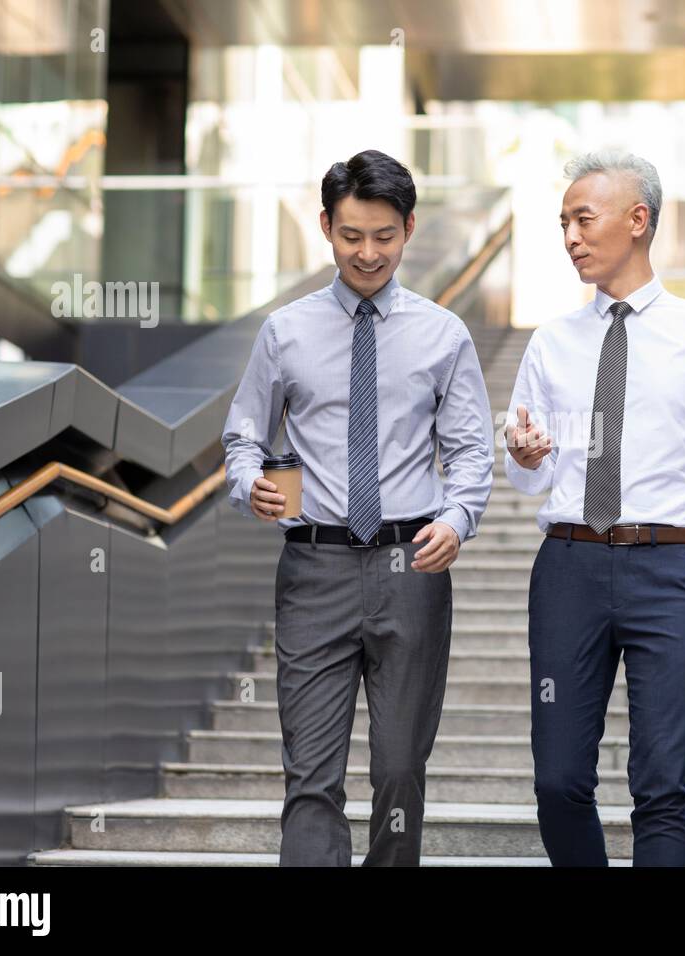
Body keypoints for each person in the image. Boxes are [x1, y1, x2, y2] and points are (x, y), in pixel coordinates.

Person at [503, 150, 685, 867]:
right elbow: (527, 479)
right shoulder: (550, 343)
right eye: (563, 222)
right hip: (567, 567)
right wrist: (525, 455)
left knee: (663, 789)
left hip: (671, 572)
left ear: (638, 221)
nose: (569, 236)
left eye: (582, 219)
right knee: (558, 780)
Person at [220, 149, 494, 866]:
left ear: (407, 230)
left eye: (382, 236)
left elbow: (470, 452)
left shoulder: (444, 335)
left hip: (413, 568)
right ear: (325, 227)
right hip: (315, 569)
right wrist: (247, 480)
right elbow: (243, 435)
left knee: (401, 772)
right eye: (350, 236)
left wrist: (457, 519)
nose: (367, 253)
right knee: (311, 779)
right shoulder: (285, 331)